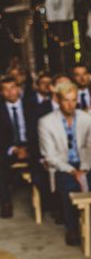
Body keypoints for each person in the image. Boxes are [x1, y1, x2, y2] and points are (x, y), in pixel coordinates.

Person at [38, 81, 91, 246]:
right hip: (61, 165)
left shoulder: (87, 119)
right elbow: (49, 156)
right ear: (57, 100)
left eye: (74, 99)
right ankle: (72, 228)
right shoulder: (46, 122)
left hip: (85, 163)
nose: (70, 104)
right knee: (68, 186)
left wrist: (84, 168)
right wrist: (72, 171)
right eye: (66, 100)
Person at [0, 74, 41, 218]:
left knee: (42, 160)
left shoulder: (31, 106)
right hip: (9, 148)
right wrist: (14, 149)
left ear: (19, 89)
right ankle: (5, 202)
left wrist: (28, 148)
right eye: (5, 89)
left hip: (31, 145)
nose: (10, 92)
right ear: (1, 92)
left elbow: (38, 130)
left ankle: (48, 201)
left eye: (12, 88)